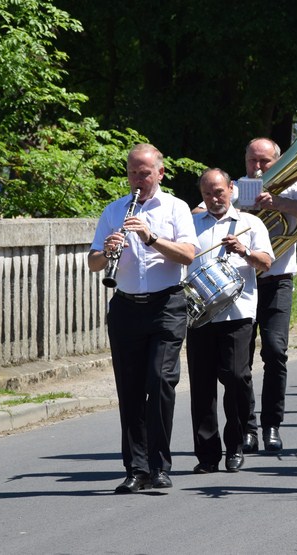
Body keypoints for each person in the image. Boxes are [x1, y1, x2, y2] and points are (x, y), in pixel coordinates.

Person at [88, 144, 197, 493]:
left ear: (160, 173)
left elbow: (188, 254)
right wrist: (107, 251)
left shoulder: (176, 208)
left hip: (167, 305)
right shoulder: (115, 210)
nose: (138, 179)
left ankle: (160, 465)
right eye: (133, 172)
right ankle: (136, 468)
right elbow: (92, 262)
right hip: (125, 306)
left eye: (145, 172)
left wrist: (150, 237)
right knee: (130, 390)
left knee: (160, 381)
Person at [186, 169, 274, 474]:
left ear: (231, 189)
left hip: (237, 314)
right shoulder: (190, 223)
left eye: (219, 192)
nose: (214, 199)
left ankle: (235, 446)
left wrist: (245, 250)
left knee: (237, 378)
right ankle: (207, 455)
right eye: (208, 194)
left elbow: (266, 263)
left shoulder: (251, 224)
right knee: (202, 385)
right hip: (200, 315)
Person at [243, 137, 297, 454]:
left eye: (265, 161)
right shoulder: (236, 189)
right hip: (243, 281)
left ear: (278, 161)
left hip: (277, 280)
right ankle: (246, 427)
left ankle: (272, 425)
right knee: (240, 360)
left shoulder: (293, 189)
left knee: (276, 352)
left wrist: (276, 203)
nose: (259, 167)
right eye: (253, 160)